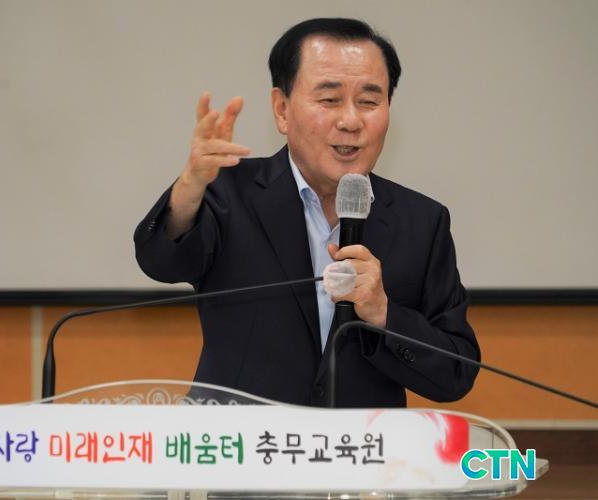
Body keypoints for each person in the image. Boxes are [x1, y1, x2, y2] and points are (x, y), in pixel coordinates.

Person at [134, 18, 480, 407]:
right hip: (242, 439)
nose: (350, 121)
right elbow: (161, 262)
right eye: (329, 100)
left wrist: (383, 313)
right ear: (282, 110)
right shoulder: (228, 192)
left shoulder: (422, 222)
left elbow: (456, 373)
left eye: (369, 101)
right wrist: (189, 187)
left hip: (361, 442)